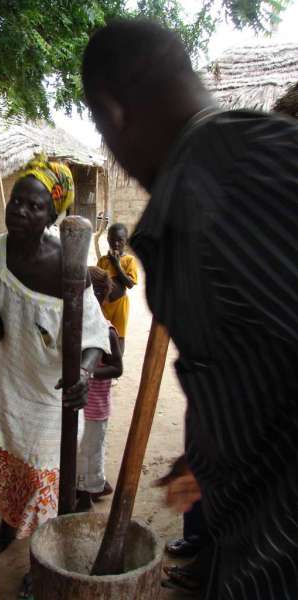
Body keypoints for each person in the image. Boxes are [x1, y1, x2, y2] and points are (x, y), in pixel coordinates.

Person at [82, 18, 298, 600]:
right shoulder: (266, 149)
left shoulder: (209, 198)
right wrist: (206, 453)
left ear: (112, 112)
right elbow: (257, 362)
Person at [0, 155, 110, 598]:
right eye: (16, 202)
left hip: (54, 394)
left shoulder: (67, 263)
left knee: (46, 480)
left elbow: (94, 335)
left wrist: (85, 373)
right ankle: (6, 532)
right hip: (10, 381)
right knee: (11, 467)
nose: (19, 211)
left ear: (52, 215)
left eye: (33, 206)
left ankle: (44, 561)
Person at [76, 267, 123, 512]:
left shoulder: (107, 331)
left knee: (90, 452)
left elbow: (117, 368)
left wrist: (88, 373)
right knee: (78, 451)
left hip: (95, 409)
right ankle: (93, 485)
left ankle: (86, 498)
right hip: (78, 405)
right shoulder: (74, 327)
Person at [96, 223, 138, 354]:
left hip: (120, 304)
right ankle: (104, 362)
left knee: (119, 336)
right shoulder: (103, 261)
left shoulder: (129, 260)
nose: (116, 244)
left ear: (126, 241)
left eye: (120, 240)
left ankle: (117, 365)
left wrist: (117, 265)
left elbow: (130, 284)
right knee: (103, 333)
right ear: (108, 239)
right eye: (112, 240)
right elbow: (97, 283)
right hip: (104, 304)